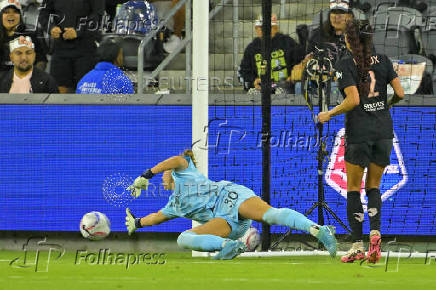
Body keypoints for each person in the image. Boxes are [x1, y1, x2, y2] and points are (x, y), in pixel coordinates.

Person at [124, 149, 337, 260]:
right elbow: (156, 218)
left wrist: (148, 174)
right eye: (163, 175)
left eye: (165, 173)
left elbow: (174, 160)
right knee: (184, 238)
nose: (164, 177)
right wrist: (137, 222)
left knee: (270, 216)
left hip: (230, 196)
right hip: (225, 222)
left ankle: (317, 229)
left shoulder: (184, 169)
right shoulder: (173, 206)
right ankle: (228, 246)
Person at [317, 20, 404, 263]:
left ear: (348, 40)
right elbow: (400, 93)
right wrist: (385, 107)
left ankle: (357, 245)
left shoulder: (346, 63)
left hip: (359, 133)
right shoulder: (384, 60)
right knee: (374, 186)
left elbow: (353, 100)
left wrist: (329, 114)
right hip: (384, 131)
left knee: (353, 188)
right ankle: (375, 233)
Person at [39, 0, 105, 93]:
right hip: (60, 48)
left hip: (85, 49)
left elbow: (98, 16)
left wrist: (78, 31)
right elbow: (43, 14)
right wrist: (51, 28)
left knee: (86, 91)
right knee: (58, 92)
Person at [290, 0, 354, 83]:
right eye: (333, 12)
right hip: (322, 80)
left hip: (349, 80)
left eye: (341, 12)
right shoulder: (318, 35)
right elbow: (309, 60)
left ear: (350, 16)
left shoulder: (358, 35)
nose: (336, 17)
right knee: (299, 86)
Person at [239, 14, 302, 93]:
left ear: (276, 28)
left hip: (286, 87)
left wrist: (294, 75)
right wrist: (253, 81)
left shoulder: (288, 43)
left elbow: (300, 62)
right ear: (256, 29)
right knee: (253, 94)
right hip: (261, 89)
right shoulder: (251, 49)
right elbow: (244, 72)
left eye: (269, 28)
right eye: (262, 28)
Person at [0, 0, 48, 78]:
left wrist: (32, 77)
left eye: (15, 12)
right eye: (6, 12)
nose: (11, 15)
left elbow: (41, 61)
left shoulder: (31, 35)